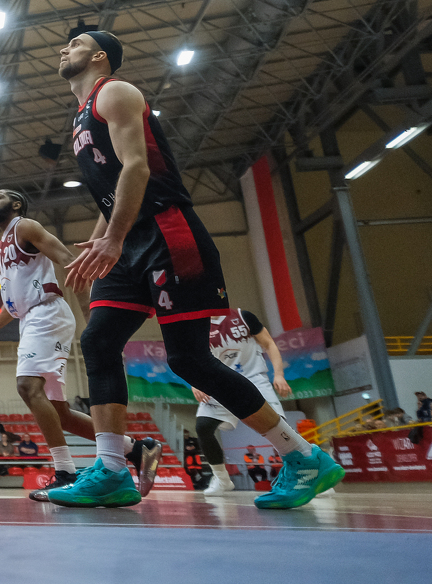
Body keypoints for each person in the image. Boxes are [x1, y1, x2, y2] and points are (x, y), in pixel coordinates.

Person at [46, 30, 342, 510]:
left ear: (99, 56)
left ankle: (304, 457)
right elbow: (112, 192)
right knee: (98, 340)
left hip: (168, 233)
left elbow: (137, 168)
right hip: (128, 239)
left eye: (75, 43)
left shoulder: (114, 92)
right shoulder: (80, 116)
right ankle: (112, 471)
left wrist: (113, 239)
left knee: (189, 359)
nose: (64, 48)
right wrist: (103, 239)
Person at [0, 188, 163, 500]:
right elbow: (15, 301)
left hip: (46, 314)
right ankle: (136, 449)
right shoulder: (2, 245)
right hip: (31, 318)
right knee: (59, 412)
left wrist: (94, 315)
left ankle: (64, 472)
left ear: (17, 204)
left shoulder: (25, 226)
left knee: (27, 387)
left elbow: (70, 261)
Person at [196, 307, 294, 495]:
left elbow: (269, 344)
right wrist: (195, 383)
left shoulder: (243, 316)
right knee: (203, 426)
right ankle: (222, 480)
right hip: (220, 382)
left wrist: (279, 374)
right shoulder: (197, 326)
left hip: (253, 378)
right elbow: (194, 359)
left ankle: (308, 470)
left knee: (280, 426)